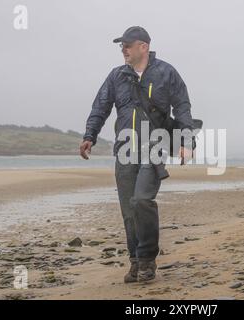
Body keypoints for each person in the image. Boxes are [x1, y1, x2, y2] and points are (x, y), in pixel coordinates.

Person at [79, 26, 195, 283]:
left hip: (154, 146)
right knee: (129, 209)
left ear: (143, 46)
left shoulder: (166, 72)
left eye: (128, 45)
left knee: (142, 200)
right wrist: (90, 136)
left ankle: (147, 259)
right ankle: (135, 261)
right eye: (122, 46)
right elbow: (101, 106)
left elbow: (183, 108)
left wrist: (186, 141)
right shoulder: (116, 76)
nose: (124, 50)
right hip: (125, 149)